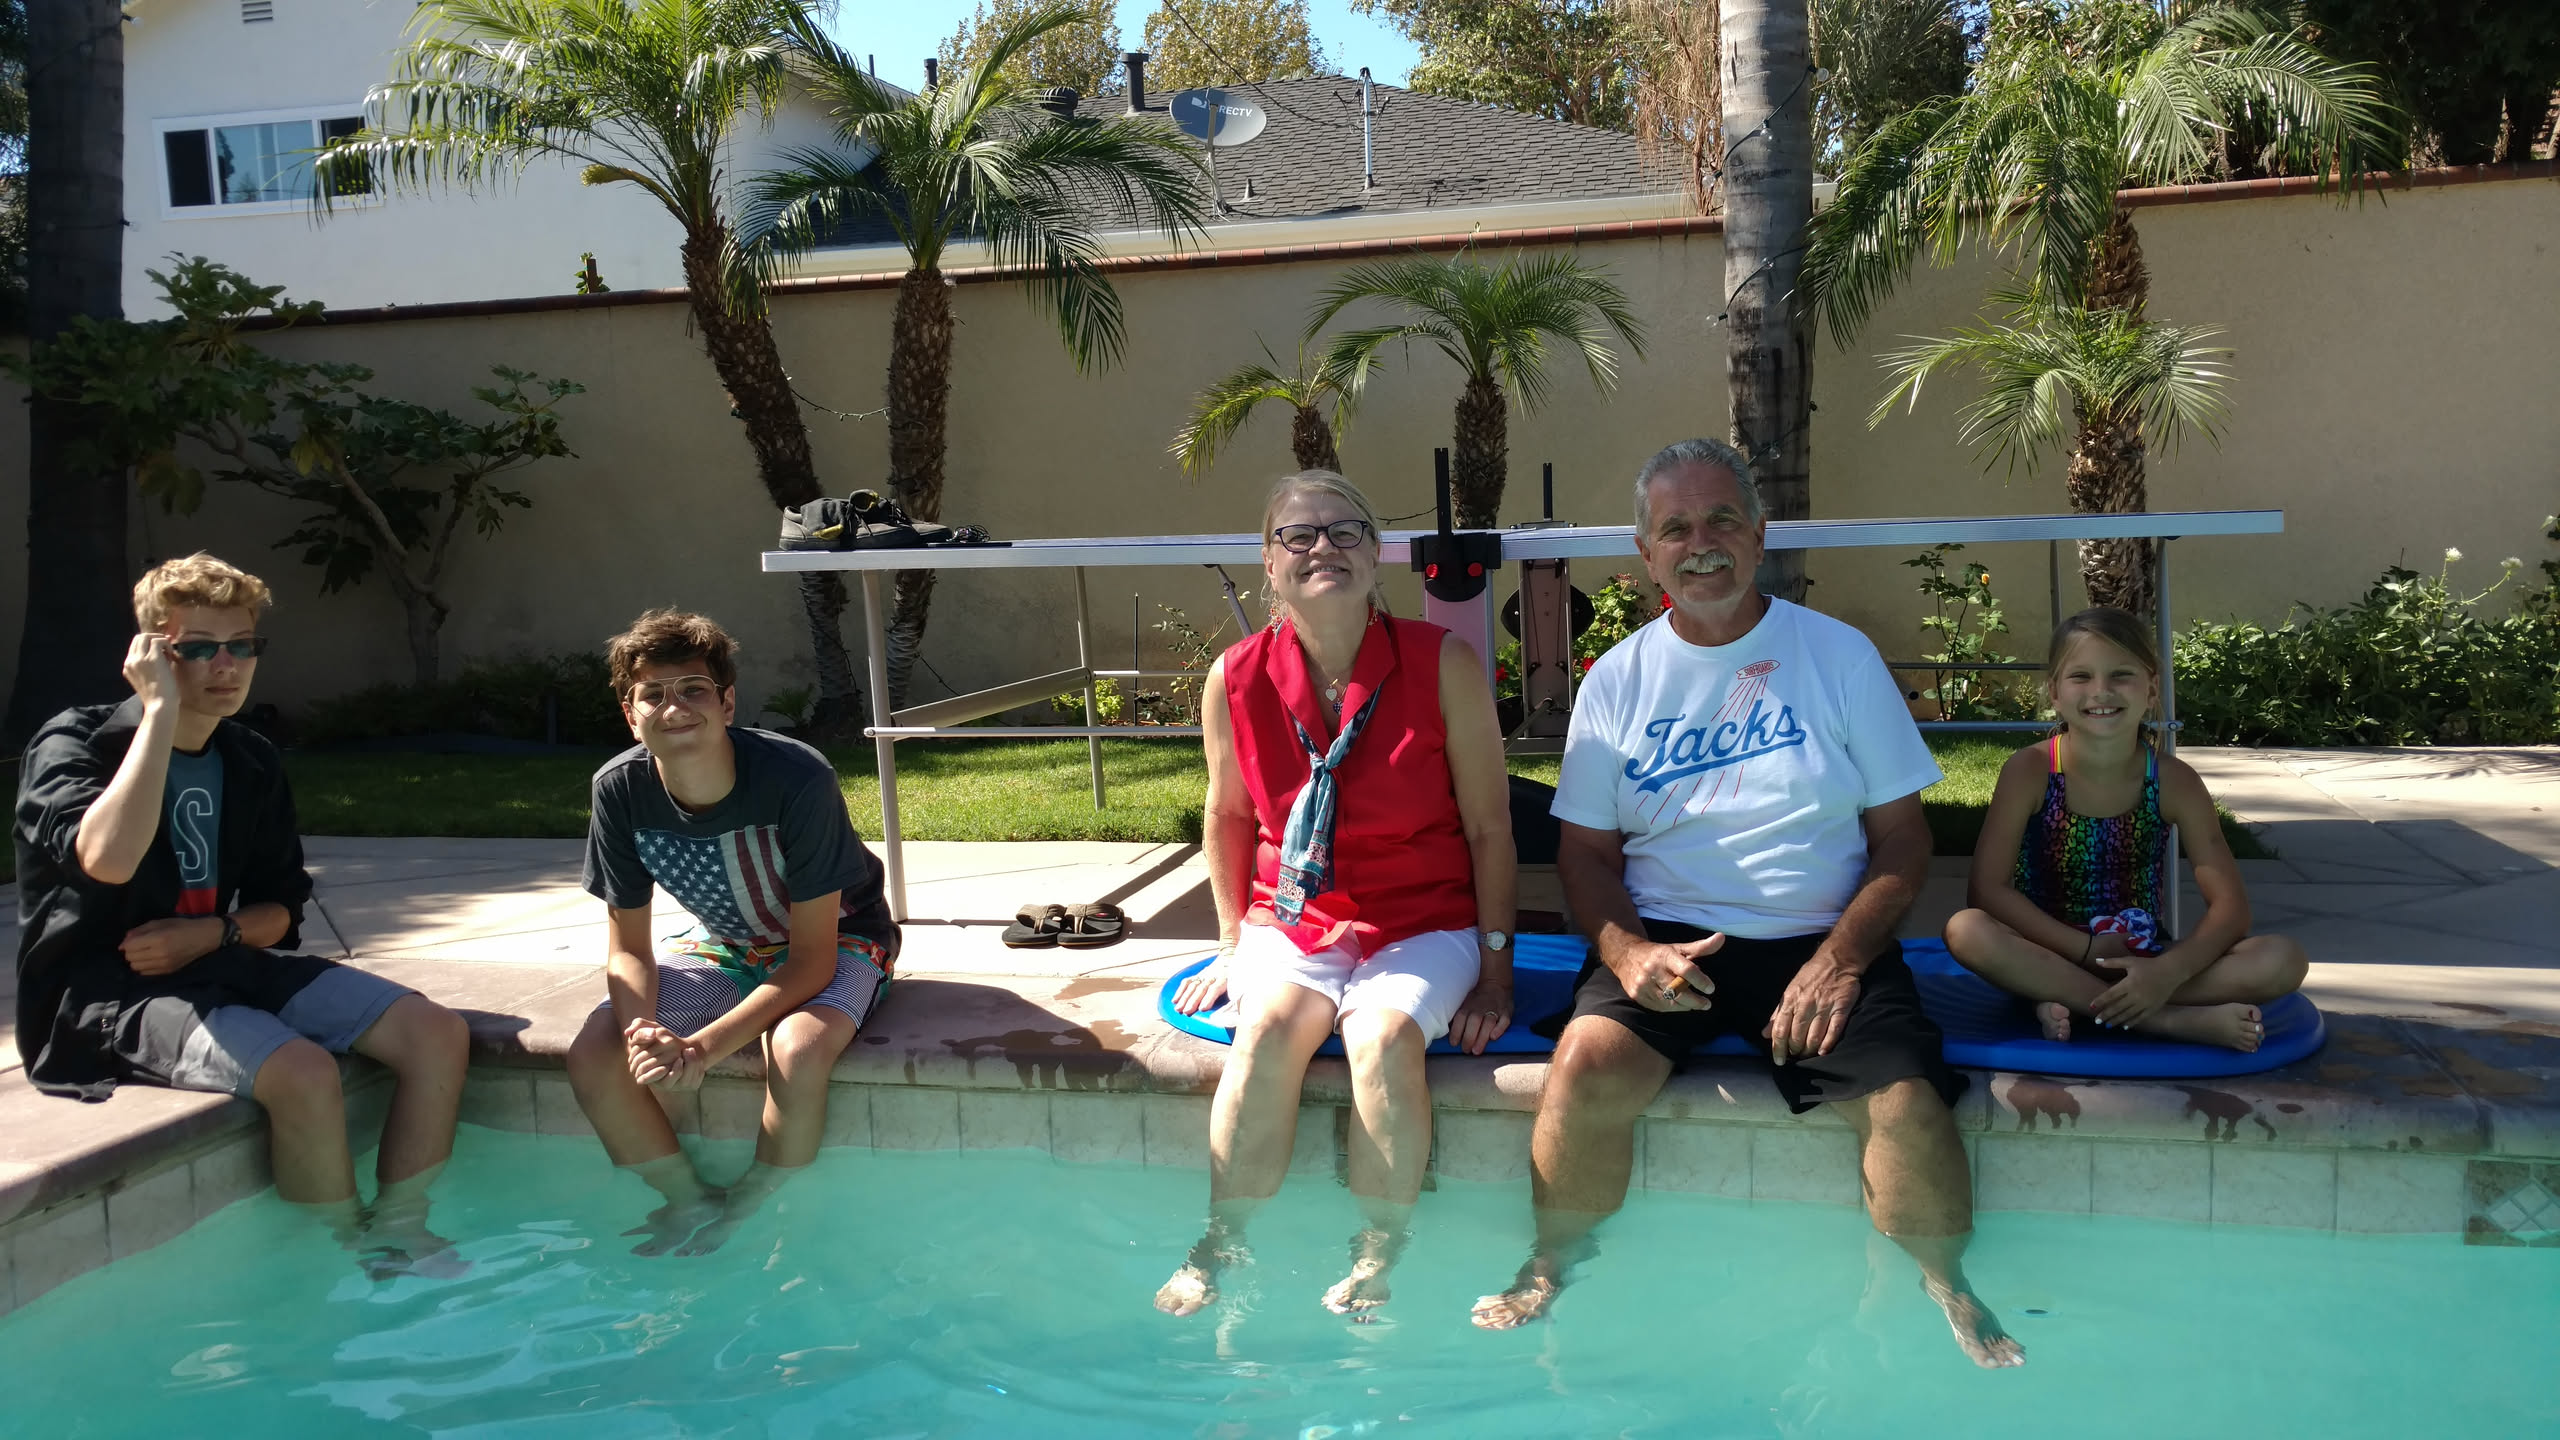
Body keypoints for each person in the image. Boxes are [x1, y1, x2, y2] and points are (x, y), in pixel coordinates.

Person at [1471, 440, 2024, 1369]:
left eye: (1723, 519)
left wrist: (1840, 960)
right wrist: (1627, 954)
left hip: (1824, 939)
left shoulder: (1837, 657)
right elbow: (1585, 855)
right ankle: (1553, 1260)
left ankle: (1943, 1281)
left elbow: (1904, 841)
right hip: (1670, 943)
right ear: (1646, 554)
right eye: (1676, 528)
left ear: (1760, 536)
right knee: (1584, 1068)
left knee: (1906, 1104)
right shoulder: (1616, 681)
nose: (1702, 544)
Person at [12, 554, 470, 1273]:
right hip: (107, 994)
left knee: (437, 1033)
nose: (226, 666)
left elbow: (281, 908)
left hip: (218, 959)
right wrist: (159, 715)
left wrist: (213, 932)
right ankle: (336, 1259)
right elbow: (108, 859)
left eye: (241, 645)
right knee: (303, 1074)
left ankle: (401, 1231)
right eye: (198, 647)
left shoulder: (248, 759)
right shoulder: (76, 743)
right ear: (152, 653)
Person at [1158, 471, 1517, 1319]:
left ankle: (1376, 1255)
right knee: (1266, 1032)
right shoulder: (1235, 676)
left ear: (1376, 552)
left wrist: (1497, 972)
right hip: (1294, 915)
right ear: (1269, 562)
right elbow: (1227, 816)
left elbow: (1490, 828)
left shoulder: (1442, 662)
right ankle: (1222, 1241)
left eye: (1346, 531)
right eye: (1299, 534)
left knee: (1384, 1039)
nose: (1324, 547)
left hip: (1422, 918)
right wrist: (1230, 944)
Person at [566, 609, 899, 1256]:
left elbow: (810, 961)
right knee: (595, 1051)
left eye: (693, 689)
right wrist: (643, 1034)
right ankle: (685, 1199)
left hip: (841, 937)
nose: (674, 707)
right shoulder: (619, 790)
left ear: (726, 702)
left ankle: (754, 1204)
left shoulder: (795, 777)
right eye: (653, 695)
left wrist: (701, 1049)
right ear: (630, 715)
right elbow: (628, 949)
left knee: (796, 1051)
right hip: (722, 941)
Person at [1944, 607, 2307, 1049]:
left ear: (2151, 689)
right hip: (2048, 951)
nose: (2101, 691)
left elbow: (2231, 909)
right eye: (2081, 676)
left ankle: (2071, 999)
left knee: (2282, 959)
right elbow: (1986, 891)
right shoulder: (2031, 770)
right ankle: (2169, 1020)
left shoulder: (2173, 780)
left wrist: (2166, 971)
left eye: (2121, 675)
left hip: (2142, 956)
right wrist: (2086, 950)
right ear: (2054, 692)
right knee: (1967, 929)